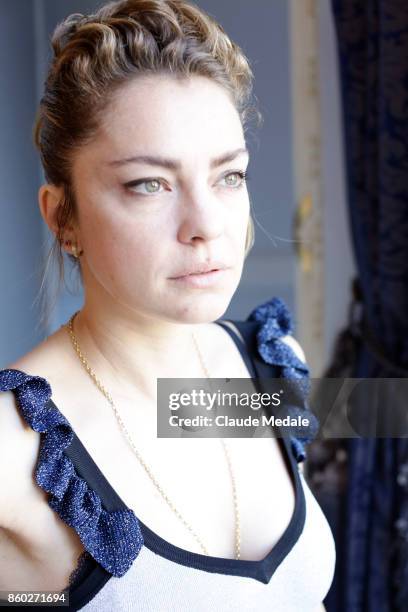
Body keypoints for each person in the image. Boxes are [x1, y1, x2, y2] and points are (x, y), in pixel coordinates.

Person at [0, 0, 335, 610]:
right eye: (148, 184)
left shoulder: (269, 362)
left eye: (228, 176)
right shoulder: (13, 450)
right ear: (62, 217)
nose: (206, 225)